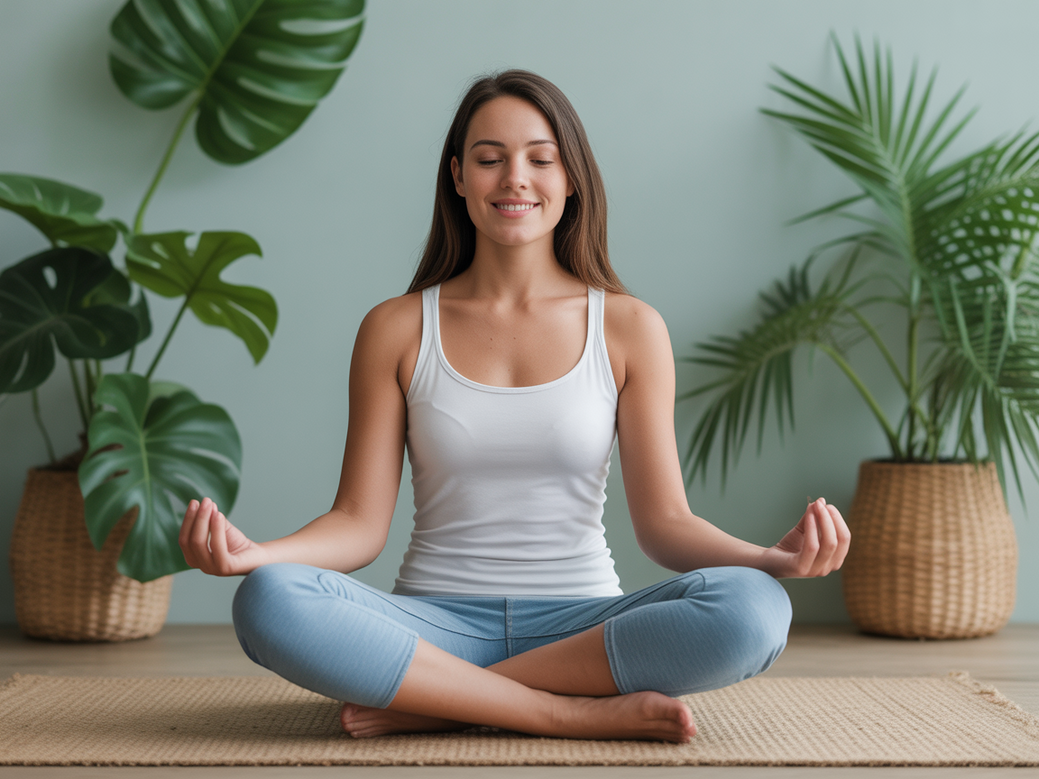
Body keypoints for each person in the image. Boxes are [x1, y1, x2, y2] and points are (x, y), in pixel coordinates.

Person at [179, 69, 850, 744]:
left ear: (571, 179)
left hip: (584, 629)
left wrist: (770, 560)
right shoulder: (396, 327)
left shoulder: (628, 327)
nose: (514, 179)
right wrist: (256, 555)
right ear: (458, 177)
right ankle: (560, 711)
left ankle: (441, 703)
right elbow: (357, 524)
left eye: (540, 158)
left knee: (752, 607)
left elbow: (665, 524)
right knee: (270, 598)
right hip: (428, 627)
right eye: (489, 159)